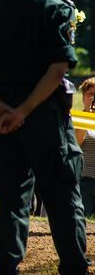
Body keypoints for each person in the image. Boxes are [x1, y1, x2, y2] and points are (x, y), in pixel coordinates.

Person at [0, 0, 90, 275]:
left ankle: (6, 267)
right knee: (62, 195)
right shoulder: (57, 9)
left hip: (3, 120)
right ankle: (73, 265)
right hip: (46, 119)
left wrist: (2, 108)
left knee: (10, 197)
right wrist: (24, 111)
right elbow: (58, 68)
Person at [75, 77, 95, 216]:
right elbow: (76, 142)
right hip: (85, 181)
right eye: (90, 94)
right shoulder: (78, 119)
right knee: (83, 221)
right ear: (83, 97)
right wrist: (87, 113)